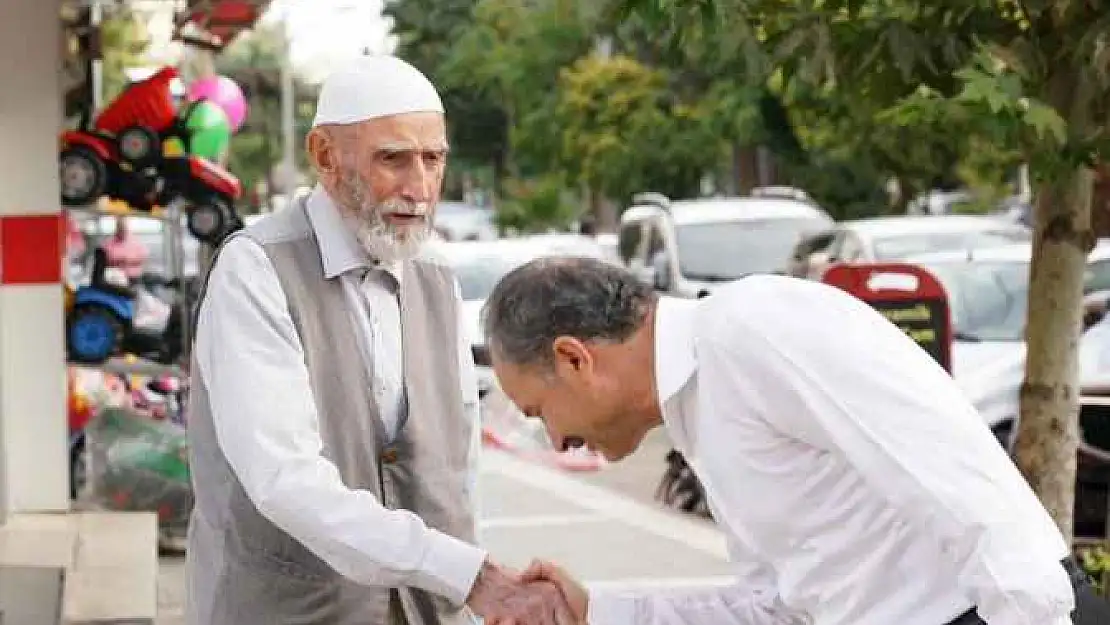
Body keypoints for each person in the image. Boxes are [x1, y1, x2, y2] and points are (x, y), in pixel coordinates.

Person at [481, 257, 1110, 625]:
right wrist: (598, 609)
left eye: (539, 411)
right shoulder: (698, 399)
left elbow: (966, 489)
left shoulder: (757, 329)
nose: (556, 439)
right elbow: (778, 606)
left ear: (574, 359)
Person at [185, 56, 570, 625]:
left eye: (433, 159)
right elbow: (282, 477)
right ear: (325, 157)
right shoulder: (256, 269)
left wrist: (471, 597)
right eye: (393, 159)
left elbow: (458, 467)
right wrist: (462, 571)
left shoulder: (435, 274)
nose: (419, 187)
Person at [102, 215, 148, 280]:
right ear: (117, 228)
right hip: (115, 279)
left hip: (133, 277)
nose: (122, 229)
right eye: (120, 227)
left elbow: (143, 256)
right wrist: (120, 259)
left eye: (124, 227)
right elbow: (104, 257)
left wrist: (129, 259)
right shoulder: (109, 243)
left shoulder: (135, 241)